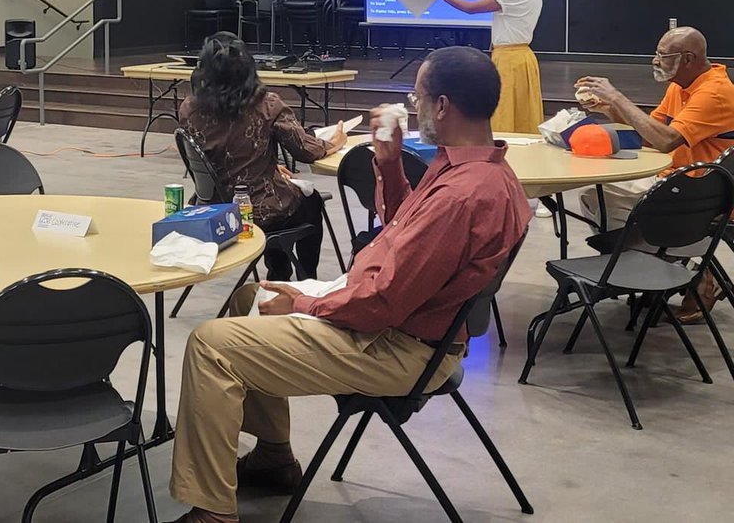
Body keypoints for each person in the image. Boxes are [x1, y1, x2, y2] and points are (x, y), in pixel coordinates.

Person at [167, 46, 530, 523]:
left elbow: (382, 301)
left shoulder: (464, 194)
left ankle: (213, 512)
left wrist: (308, 305)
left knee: (211, 344)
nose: (413, 106)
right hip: (395, 323)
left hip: (399, 346)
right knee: (249, 297)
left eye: (418, 97)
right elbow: (408, 231)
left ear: (442, 106)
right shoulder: (472, 169)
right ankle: (275, 455)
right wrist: (390, 163)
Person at [575, 26, 734, 321]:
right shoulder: (680, 85)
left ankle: (665, 265)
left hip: (699, 199)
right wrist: (608, 108)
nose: (656, 61)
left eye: (663, 55)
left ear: (688, 58)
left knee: (604, 202)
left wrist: (618, 96)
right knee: (594, 196)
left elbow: (666, 140)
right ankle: (651, 263)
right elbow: (650, 134)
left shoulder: (715, 92)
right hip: (676, 182)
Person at [180, 32, 347, 282]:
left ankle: (278, 270)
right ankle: (307, 279)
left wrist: (267, 165)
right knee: (310, 203)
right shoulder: (267, 105)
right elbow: (306, 151)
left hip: (213, 207)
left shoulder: (189, 108)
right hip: (255, 211)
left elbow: (219, 154)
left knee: (283, 198)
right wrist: (333, 142)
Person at [418, 0, 548, 133]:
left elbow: (470, 8)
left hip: (510, 60)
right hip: (521, 58)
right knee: (520, 114)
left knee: (504, 114)